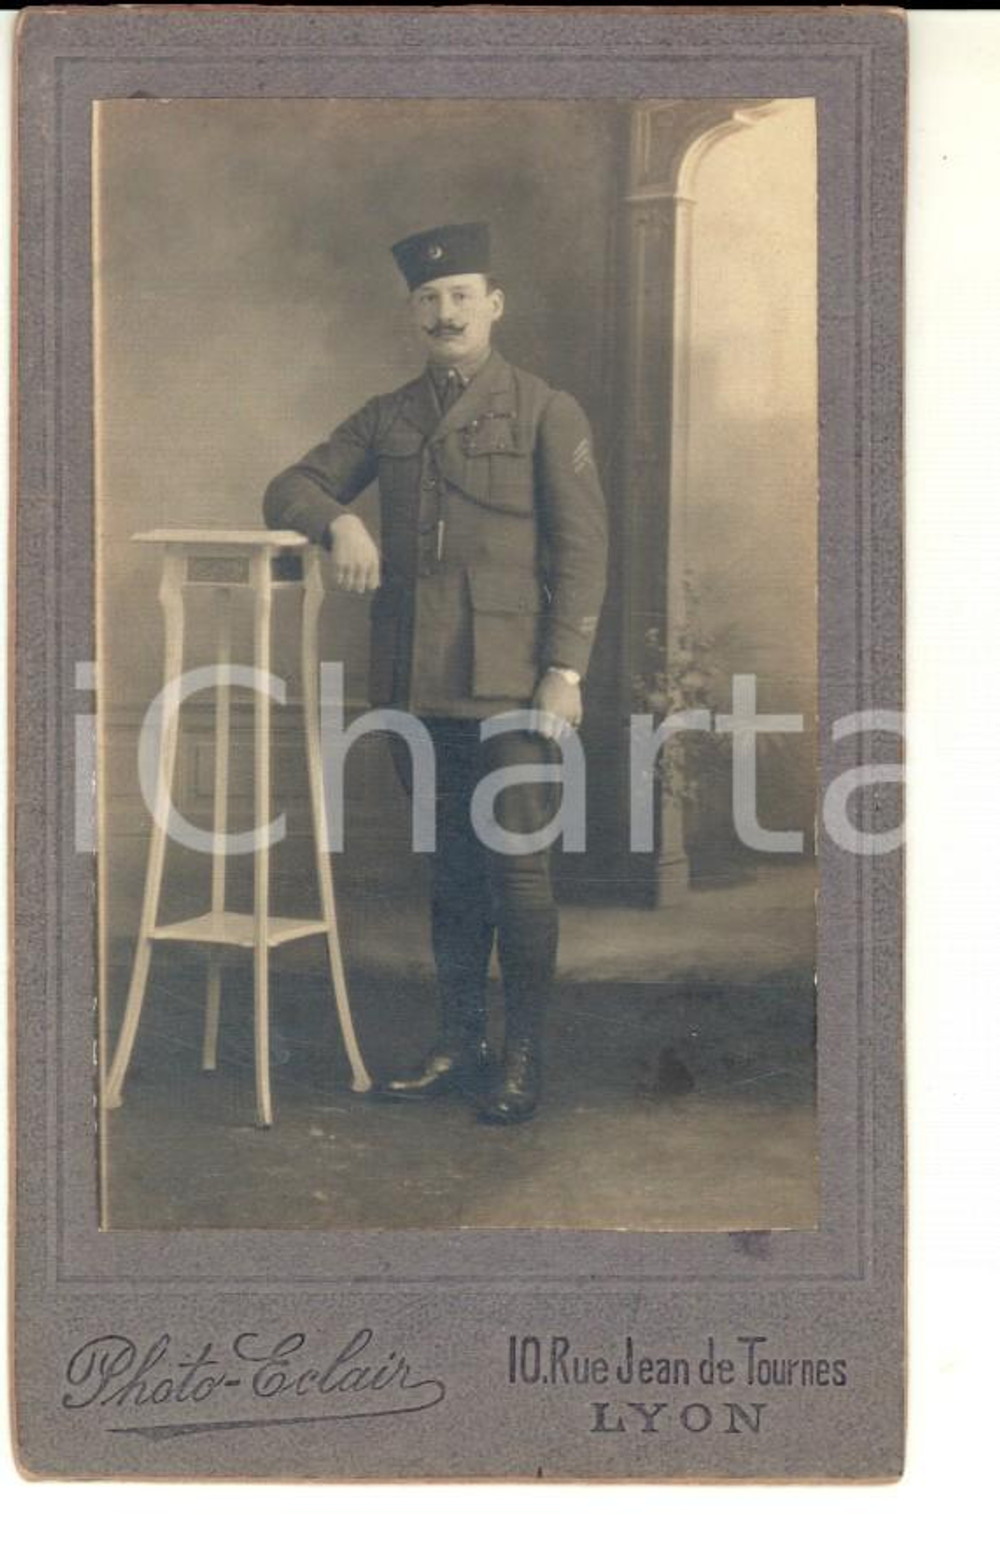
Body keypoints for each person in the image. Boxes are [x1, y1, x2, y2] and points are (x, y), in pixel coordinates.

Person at [263, 221, 608, 1124]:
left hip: (510, 679)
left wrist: (564, 668)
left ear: (495, 305)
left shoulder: (545, 408)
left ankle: (522, 1058)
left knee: (518, 869)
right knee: (452, 869)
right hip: (416, 681)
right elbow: (289, 484)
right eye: (428, 299)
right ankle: (462, 1045)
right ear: (412, 312)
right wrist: (339, 521)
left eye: (461, 295)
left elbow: (583, 550)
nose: (444, 312)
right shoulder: (391, 414)